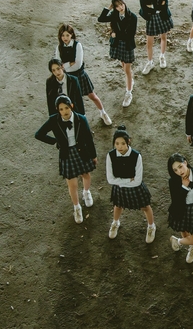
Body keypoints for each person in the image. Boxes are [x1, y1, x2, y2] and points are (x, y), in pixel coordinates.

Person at [35, 95, 97, 224]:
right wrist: (55, 141)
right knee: (72, 184)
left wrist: (93, 155)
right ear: (58, 110)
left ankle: (86, 192)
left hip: (81, 151)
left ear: (71, 106)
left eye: (67, 108)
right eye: (61, 109)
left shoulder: (81, 119)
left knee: (86, 175)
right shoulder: (54, 120)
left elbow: (88, 138)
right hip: (67, 154)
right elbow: (39, 134)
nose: (64, 112)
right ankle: (77, 207)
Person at [54, 23, 111, 125]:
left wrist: (64, 66)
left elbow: (78, 65)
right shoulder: (59, 47)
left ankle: (103, 113)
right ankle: (76, 121)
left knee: (92, 96)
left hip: (79, 75)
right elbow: (58, 65)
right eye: (63, 35)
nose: (65, 38)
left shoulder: (77, 45)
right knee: (72, 100)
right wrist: (70, 63)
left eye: (67, 35)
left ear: (72, 35)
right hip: (68, 78)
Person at [106, 125, 155, 241]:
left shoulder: (136, 156)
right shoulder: (110, 156)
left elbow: (137, 181)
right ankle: (115, 222)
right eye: (117, 143)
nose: (120, 147)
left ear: (128, 142)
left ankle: (151, 226)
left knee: (145, 206)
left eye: (123, 143)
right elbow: (110, 179)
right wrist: (128, 180)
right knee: (118, 206)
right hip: (120, 188)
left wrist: (120, 182)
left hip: (135, 188)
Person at [97, 0, 138, 107]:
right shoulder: (114, 15)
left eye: (121, 4)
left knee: (127, 69)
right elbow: (101, 19)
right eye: (117, 6)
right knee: (123, 65)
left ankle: (128, 93)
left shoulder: (132, 17)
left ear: (124, 3)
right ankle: (130, 80)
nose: (121, 7)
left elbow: (130, 34)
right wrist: (108, 8)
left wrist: (116, 34)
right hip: (118, 44)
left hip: (127, 44)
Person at [139, 0, 173, 74]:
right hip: (151, 17)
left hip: (162, 16)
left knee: (163, 37)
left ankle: (162, 56)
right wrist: (157, 6)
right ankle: (150, 62)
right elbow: (143, 6)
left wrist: (153, 6)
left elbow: (165, 4)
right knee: (149, 42)